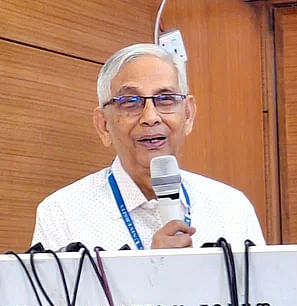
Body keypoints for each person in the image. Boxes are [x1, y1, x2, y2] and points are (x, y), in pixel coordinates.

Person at [32, 43, 265, 251]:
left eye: (165, 99)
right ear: (103, 125)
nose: (150, 117)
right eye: (130, 102)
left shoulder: (231, 207)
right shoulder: (63, 212)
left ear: (188, 114)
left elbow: (270, 297)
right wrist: (150, 271)